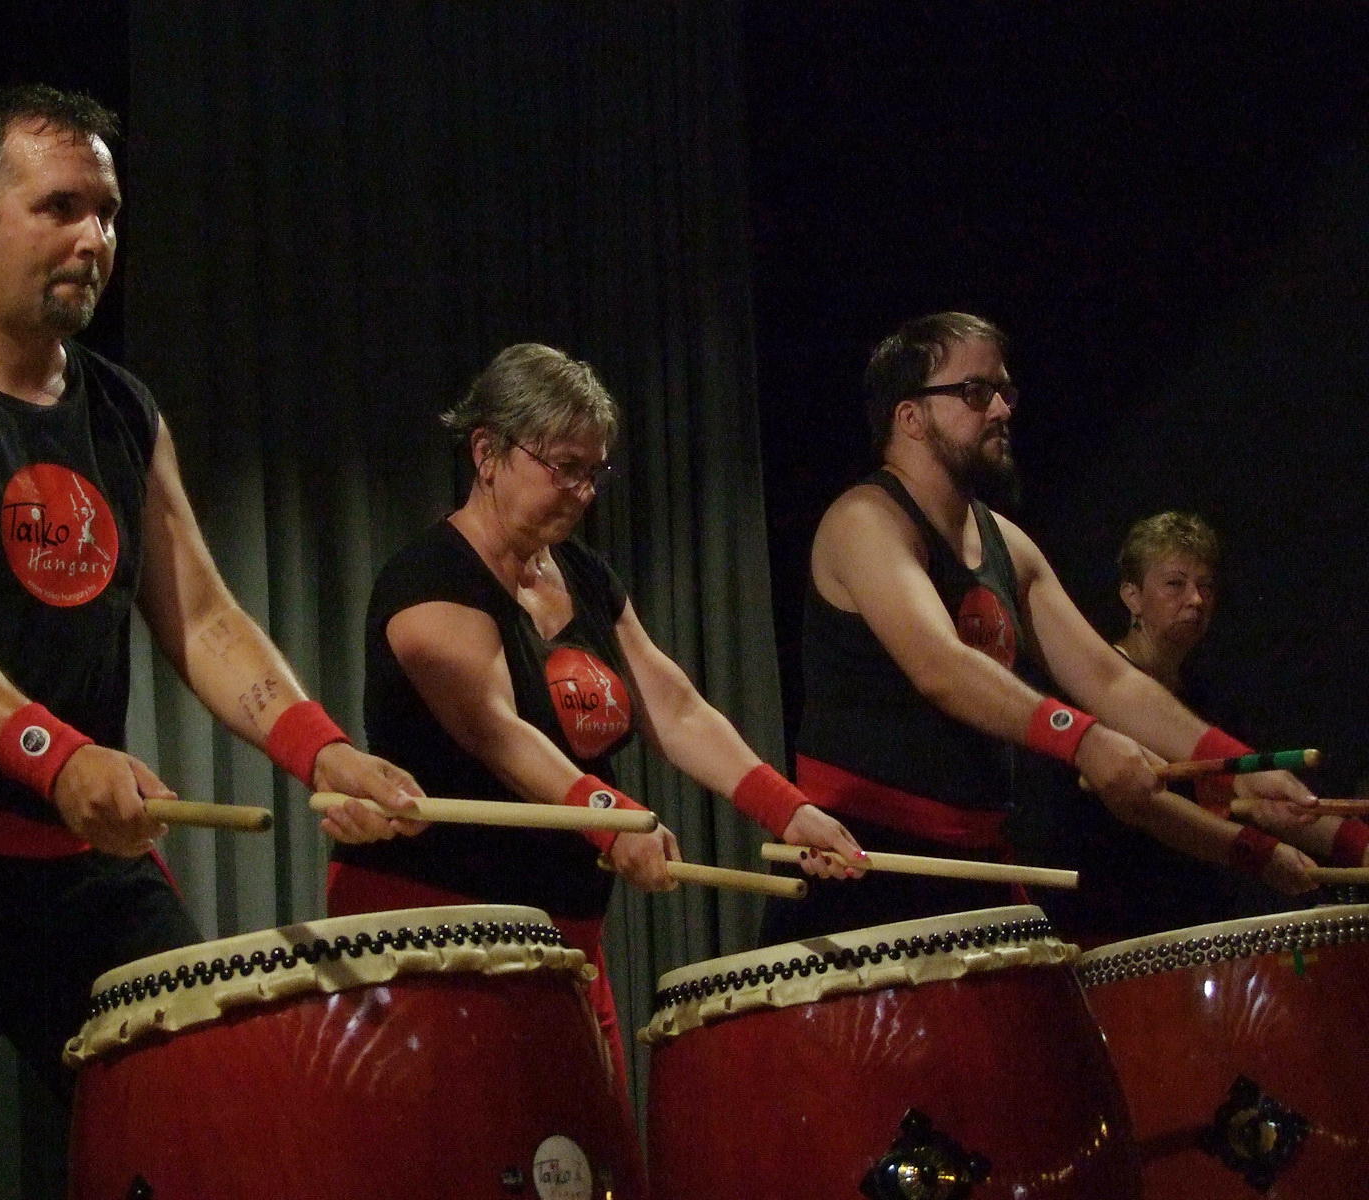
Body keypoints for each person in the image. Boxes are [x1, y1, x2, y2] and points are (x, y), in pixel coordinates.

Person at [0, 85, 421, 1199]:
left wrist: (323, 752)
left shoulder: (123, 411)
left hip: (71, 872)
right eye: (61, 208)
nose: (95, 239)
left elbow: (203, 617)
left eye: (108, 213)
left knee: (215, 1150)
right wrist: (60, 755)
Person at [328, 343, 865, 1078]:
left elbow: (672, 706)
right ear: (487, 453)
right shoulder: (429, 580)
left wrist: (785, 808)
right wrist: (613, 820)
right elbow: (495, 731)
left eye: (594, 472)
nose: (583, 492)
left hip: (564, 934)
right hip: (435, 934)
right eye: (564, 467)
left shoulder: (581, 573)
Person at [761, 312, 1323, 946]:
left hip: (974, 869)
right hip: (864, 867)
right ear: (909, 417)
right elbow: (941, 667)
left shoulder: (1006, 543)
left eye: (1005, 391)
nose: (1002, 409)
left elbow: (1110, 679)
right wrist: (1083, 741)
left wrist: (1237, 764)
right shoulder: (865, 521)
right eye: (976, 392)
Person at [1034, 511, 1368, 942]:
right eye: (1175, 584)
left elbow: (1265, 797)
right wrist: (1257, 852)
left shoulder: (1209, 701)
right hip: (1111, 924)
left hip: (1196, 923)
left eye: (1205, 586)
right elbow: (1145, 805)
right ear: (1132, 595)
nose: (1195, 599)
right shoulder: (1090, 687)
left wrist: (1356, 843)